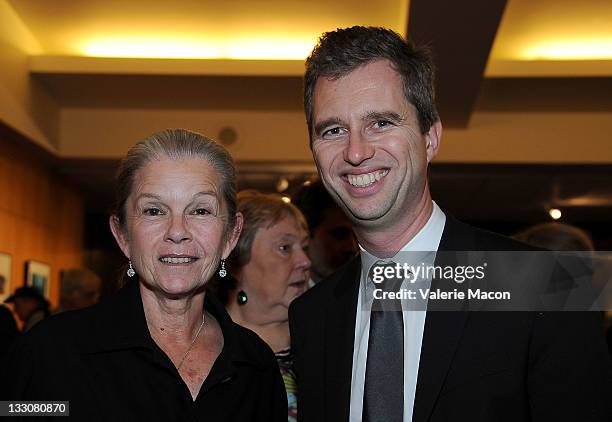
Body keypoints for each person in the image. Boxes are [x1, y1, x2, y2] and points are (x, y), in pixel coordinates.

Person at [289, 26, 612, 422]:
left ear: (430, 138)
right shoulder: (312, 316)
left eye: (381, 123)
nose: (356, 152)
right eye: (333, 130)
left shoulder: (549, 285)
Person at [2, 129, 287, 421]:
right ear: (122, 235)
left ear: (231, 235)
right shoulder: (49, 352)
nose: (177, 231)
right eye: (153, 211)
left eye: (200, 210)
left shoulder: (256, 363)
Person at [212, 190, 310, 422]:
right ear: (237, 261)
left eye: (304, 247)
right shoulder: (208, 348)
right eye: (284, 248)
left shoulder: (326, 337)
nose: (305, 261)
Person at [292, 180, 357, 286]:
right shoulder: (280, 297)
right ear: (305, 234)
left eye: (357, 237)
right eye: (340, 234)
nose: (352, 247)